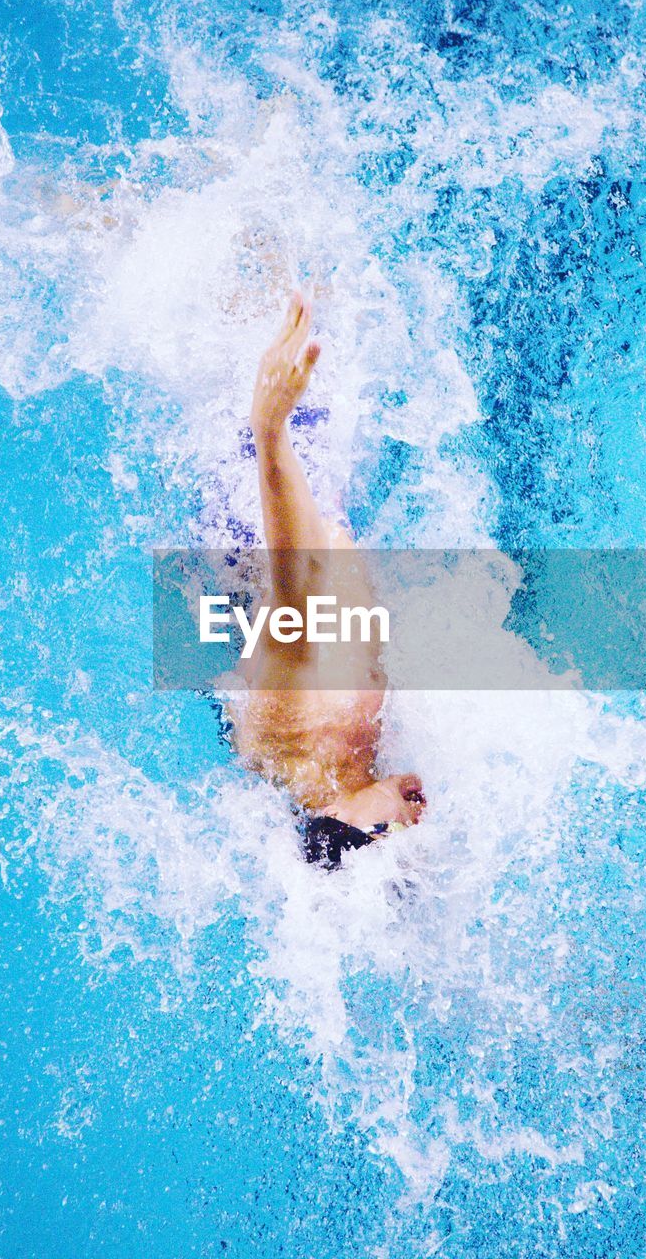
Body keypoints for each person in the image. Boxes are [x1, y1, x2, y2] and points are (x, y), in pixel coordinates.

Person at [227, 291, 425, 868]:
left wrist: (268, 430)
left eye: (388, 831)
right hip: (328, 503)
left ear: (340, 821)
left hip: (260, 494)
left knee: (253, 299)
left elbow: (299, 586)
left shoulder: (288, 738)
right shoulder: (358, 769)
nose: (416, 822)